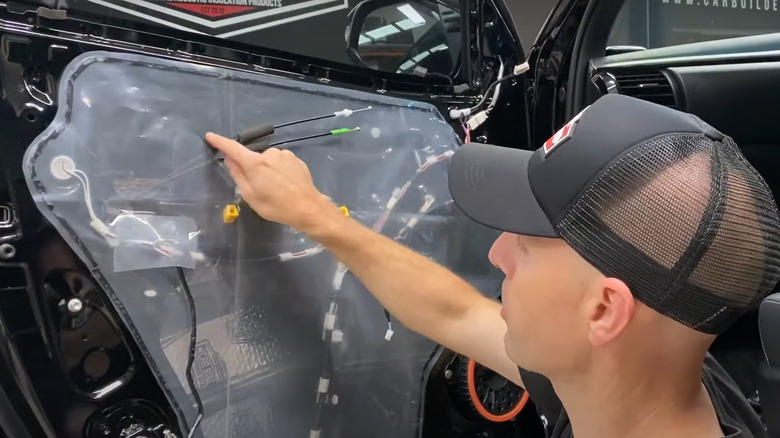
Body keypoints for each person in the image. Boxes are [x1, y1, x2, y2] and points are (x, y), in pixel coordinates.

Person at [205, 94, 780, 438]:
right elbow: (454, 312)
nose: (496, 253)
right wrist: (315, 215)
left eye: (527, 244)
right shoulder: (636, 378)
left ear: (605, 309)